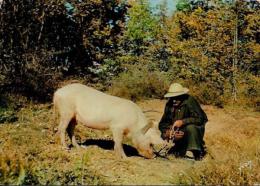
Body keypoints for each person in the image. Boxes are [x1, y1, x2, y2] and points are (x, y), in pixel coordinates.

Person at [159, 83, 208, 160]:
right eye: (172, 98)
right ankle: (182, 149)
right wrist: (168, 132)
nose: (174, 100)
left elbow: (201, 119)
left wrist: (183, 122)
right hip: (178, 134)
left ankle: (193, 151)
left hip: (192, 132)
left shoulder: (190, 101)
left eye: (177, 98)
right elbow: (162, 124)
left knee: (191, 128)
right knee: (173, 152)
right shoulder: (169, 104)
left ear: (181, 96)